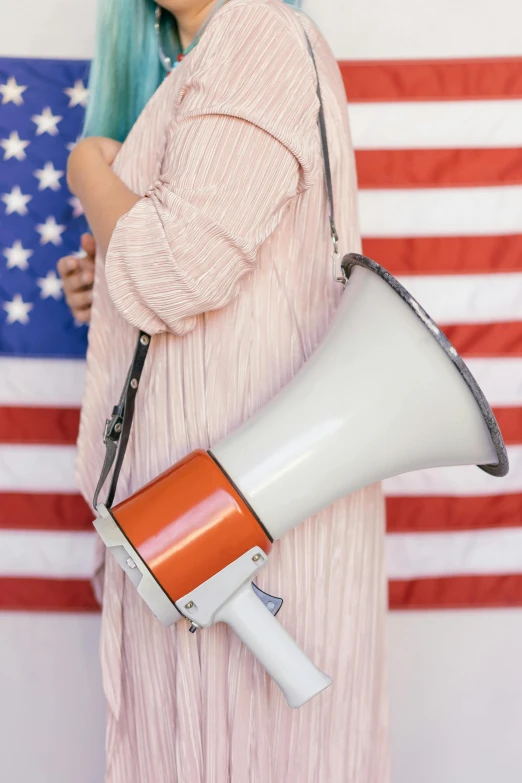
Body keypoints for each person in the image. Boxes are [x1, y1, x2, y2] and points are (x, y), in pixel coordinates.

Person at [57, 0, 390, 780]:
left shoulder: (256, 31)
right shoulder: (206, 52)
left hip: (240, 505)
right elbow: (182, 267)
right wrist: (103, 279)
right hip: (209, 507)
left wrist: (89, 171)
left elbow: (174, 272)